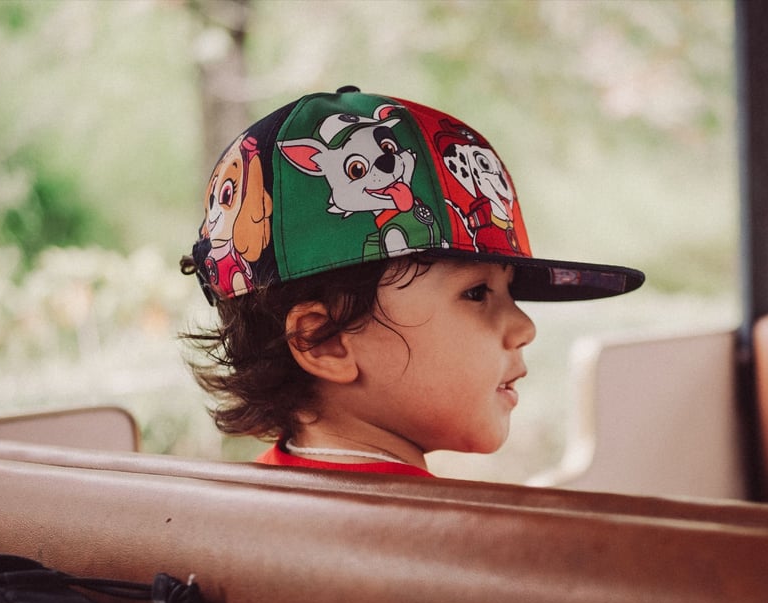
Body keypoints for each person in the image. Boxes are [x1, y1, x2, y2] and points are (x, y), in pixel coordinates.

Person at [181, 86, 644, 477]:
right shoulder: (468, 550)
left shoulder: (238, 509)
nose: (525, 327)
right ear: (324, 341)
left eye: (510, 291)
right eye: (477, 293)